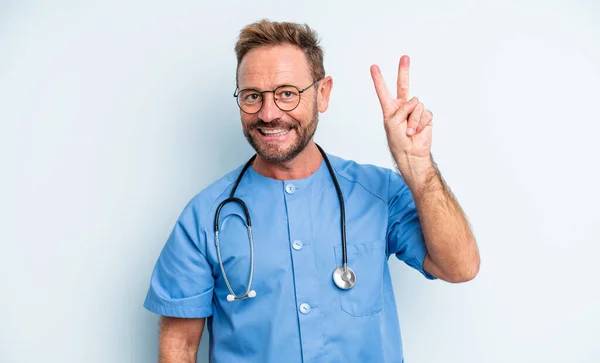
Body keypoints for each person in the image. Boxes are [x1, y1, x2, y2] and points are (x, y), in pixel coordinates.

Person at [143, 19, 480, 363]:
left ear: (323, 93)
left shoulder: (379, 194)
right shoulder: (204, 217)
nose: (269, 113)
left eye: (287, 93)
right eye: (252, 96)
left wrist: (417, 165)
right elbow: (179, 347)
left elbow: (460, 268)